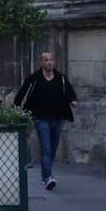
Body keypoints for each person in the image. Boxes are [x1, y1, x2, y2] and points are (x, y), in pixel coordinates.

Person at [14, 51, 78, 191]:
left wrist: (73, 100)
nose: (49, 62)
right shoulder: (35, 79)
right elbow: (22, 93)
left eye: (51, 60)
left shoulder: (60, 78)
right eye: (46, 60)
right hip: (40, 118)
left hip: (57, 118)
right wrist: (17, 108)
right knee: (46, 147)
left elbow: (69, 90)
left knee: (53, 148)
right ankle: (48, 177)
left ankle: (45, 175)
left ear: (54, 61)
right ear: (41, 62)